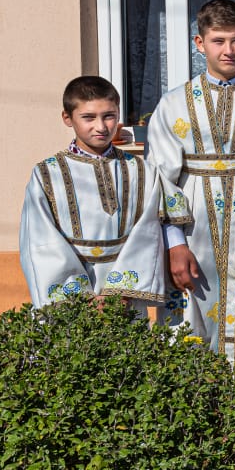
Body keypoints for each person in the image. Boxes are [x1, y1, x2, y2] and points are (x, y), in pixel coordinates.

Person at [148, 0, 235, 360]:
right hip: (193, 232)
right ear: (199, 44)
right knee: (190, 323)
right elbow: (160, 178)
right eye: (218, 41)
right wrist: (174, 243)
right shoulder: (173, 104)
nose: (228, 50)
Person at [21, 75, 168, 315]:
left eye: (109, 116)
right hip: (71, 300)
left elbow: (148, 233)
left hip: (124, 297)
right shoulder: (47, 174)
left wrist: (120, 293)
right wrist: (80, 297)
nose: (101, 127)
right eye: (88, 117)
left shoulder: (142, 171)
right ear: (67, 118)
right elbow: (39, 241)